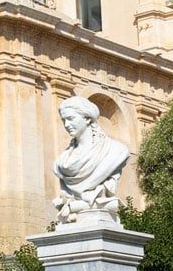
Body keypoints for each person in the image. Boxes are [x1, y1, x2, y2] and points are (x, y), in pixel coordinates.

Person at [53, 95, 129, 223]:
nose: (66, 125)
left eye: (71, 119)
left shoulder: (116, 150)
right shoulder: (61, 162)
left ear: (87, 119)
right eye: (63, 120)